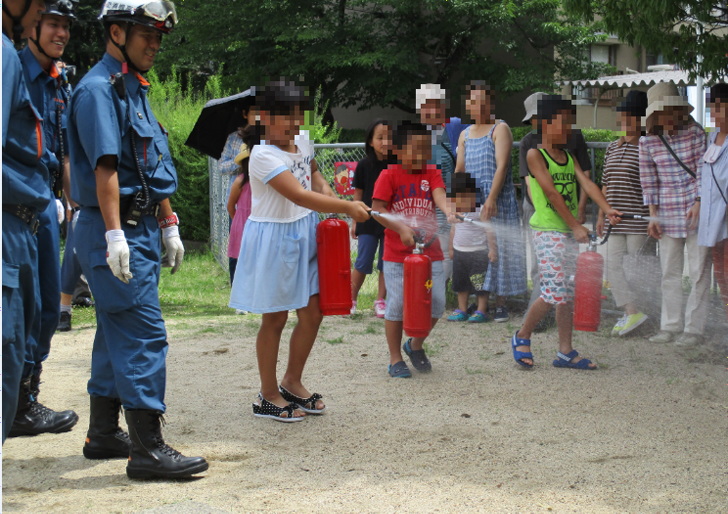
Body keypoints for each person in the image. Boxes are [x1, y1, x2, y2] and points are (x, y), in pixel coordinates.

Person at [67, 0, 208, 479]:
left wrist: (167, 222)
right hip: (115, 227)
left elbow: (147, 163)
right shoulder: (96, 91)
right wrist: (113, 234)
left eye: (158, 35)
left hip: (140, 225)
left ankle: (104, 433)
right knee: (144, 334)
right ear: (116, 31)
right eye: (145, 32)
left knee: (114, 332)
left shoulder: (134, 87)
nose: (155, 43)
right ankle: (148, 450)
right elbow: (106, 168)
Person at [228, 80, 370, 421]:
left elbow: (314, 179)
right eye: (283, 118)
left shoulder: (302, 144)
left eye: (297, 117)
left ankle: (292, 381)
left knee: (313, 313)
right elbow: (299, 195)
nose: (292, 125)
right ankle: (267, 394)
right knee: (275, 318)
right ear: (262, 117)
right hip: (275, 239)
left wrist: (335, 198)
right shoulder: (261, 155)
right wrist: (348, 209)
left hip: (306, 233)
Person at [9, 0, 80, 438]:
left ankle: (26, 400)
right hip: (17, 203)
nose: (60, 33)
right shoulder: (12, 69)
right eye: (53, 23)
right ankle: (16, 403)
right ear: (33, 25)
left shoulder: (60, 81)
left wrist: (71, 204)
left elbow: (65, 149)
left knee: (47, 307)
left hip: (47, 204)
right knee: (22, 307)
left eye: (65, 26)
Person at [512, 95, 621, 370]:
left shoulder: (568, 156)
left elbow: (588, 183)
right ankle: (522, 335)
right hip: (548, 231)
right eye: (564, 124)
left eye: (570, 124)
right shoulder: (535, 154)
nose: (569, 130)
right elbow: (549, 191)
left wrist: (607, 209)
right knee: (552, 292)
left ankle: (565, 351)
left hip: (568, 232)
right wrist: (575, 225)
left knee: (564, 293)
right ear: (546, 125)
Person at [371, 121, 453, 378]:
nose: (420, 156)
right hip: (397, 255)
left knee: (437, 302)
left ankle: (414, 345)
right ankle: (395, 358)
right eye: (414, 150)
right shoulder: (389, 175)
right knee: (396, 305)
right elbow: (377, 210)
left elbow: (439, 195)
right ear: (398, 150)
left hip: (431, 253)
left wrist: (448, 210)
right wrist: (401, 230)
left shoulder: (431, 172)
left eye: (424, 150)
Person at [2, 0, 48, 444]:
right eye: (39, 7)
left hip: (20, 222)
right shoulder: (2, 55)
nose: (40, 18)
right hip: (6, 226)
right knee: (6, 350)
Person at [639, 82, 709, 346]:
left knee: (700, 271)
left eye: (669, 111)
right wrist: (653, 215)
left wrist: (700, 201)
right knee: (669, 272)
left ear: (678, 111)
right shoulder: (647, 142)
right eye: (660, 113)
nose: (665, 118)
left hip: (696, 209)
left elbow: (704, 171)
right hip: (667, 212)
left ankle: (694, 329)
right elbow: (649, 182)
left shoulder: (695, 134)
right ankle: (669, 326)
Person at [519, 92, 592, 330]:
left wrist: (579, 211)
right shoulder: (530, 144)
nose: (533, 124)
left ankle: (565, 349)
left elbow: (584, 177)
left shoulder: (571, 140)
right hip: (544, 217)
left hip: (567, 219)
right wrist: (544, 208)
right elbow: (535, 185)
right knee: (545, 277)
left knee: (565, 285)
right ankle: (529, 328)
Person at [455, 81, 526, 322]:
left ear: (490, 103)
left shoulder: (500, 128)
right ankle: (478, 302)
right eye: (472, 101)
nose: (477, 106)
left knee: (500, 251)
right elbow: (460, 170)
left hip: (497, 198)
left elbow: (502, 166)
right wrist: (456, 200)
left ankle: (501, 302)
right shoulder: (464, 134)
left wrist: (492, 199)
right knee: (476, 252)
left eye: (482, 101)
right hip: (472, 201)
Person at [596, 90, 653, 336]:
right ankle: (631, 312)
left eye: (631, 116)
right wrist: (601, 214)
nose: (626, 121)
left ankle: (648, 313)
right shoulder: (611, 147)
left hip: (638, 219)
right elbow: (605, 183)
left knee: (638, 269)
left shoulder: (647, 146)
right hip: (613, 219)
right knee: (612, 264)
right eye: (623, 115)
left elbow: (652, 183)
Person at [416, 84, 464, 283]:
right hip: (423, 203)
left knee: (445, 249)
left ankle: (439, 290)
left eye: (436, 105)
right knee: (422, 247)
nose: (432, 111)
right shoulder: (417, 136)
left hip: (449, 201)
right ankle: (422, 286)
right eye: (426, 106)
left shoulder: (453, 129)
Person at [350, 119, 390, 317]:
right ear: (371, 141)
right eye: (380, 137)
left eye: (389, 137)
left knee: (386, 262)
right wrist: (354, 220)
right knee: (363, 261)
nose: (385, 141)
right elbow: (358, 194)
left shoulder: (397, 164)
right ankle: (350, 298)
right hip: (367, 220)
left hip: (390, 221)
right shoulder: (364, 165)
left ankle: (380, 300)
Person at [446, 172, 497, 323]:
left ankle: (481, 310)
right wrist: (450, 249)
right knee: (461, 284)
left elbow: (489, 230)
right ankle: (462, 309)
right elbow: (453, 230)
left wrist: (493, 249)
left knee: (480, 284)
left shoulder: (480, 210)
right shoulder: (455, 213)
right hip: (460, 253)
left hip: (478, 254)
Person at [698, 83, 728, 321]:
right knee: (722, 278)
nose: (715, 113)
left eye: (720, 107)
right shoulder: (711, 137)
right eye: (712, 108)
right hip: (713, 221)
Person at [227, 124, 258, 286]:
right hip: (242, 224)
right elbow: (230, 205)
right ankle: (238, 291)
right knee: (239, 260)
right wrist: (238, 219)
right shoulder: (240, 181)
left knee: (256, 260)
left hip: (257, 224)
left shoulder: (263, 180)